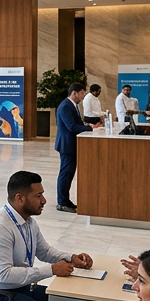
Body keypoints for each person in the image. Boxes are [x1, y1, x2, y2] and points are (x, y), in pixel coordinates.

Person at [0, 171, 94, 301]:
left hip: (19, 287)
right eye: (38, 196)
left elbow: (44, 251)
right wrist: (51, 270)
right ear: (20, 198)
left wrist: (70, 257)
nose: (44, 201)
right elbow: (4, 274)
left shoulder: (28, 221)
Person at [54, 82, 98, 212]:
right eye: (82, 93)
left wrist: (88, 125)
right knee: (66, 174)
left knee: (69, 174)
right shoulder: (66, 106)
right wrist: (89, 128)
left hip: (71, 144)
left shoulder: (73, 105)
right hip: (67, 145)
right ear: (74, 93)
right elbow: (71, 126)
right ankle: (62, 203)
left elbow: (77, 123)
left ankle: (66, 200)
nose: (84, 96)